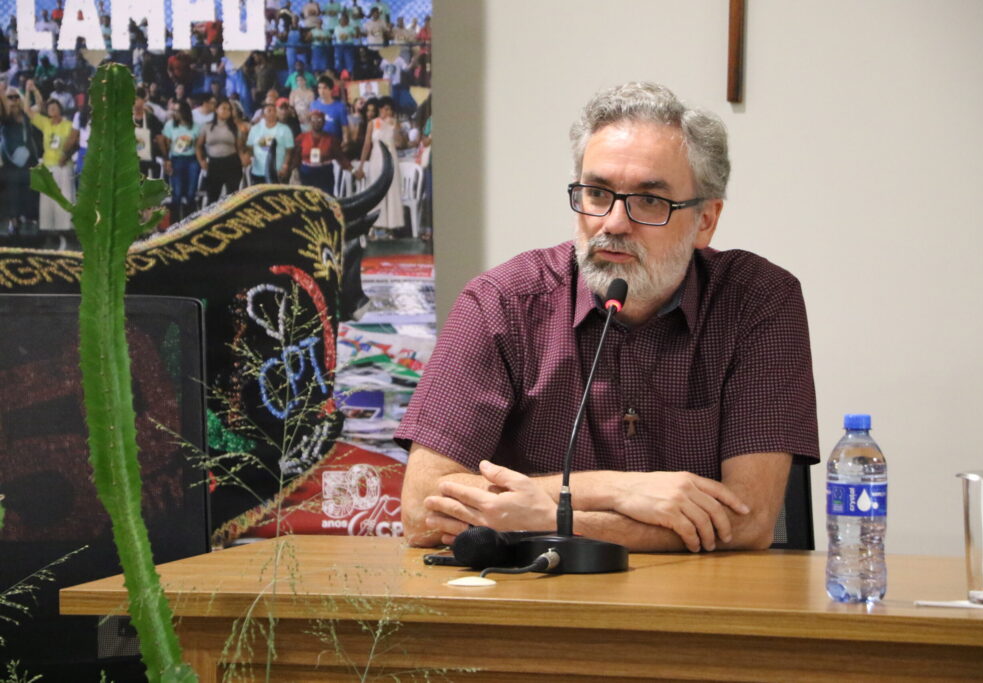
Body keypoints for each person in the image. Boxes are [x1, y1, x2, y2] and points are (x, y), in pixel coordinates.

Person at [395, 82, 819, 553]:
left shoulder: (758, 301)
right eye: (597, 193)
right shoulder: (502, 303)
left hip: (698, 593)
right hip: (538, 591)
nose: (614, 223)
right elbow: (420, 509)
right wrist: (616, 490)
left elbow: (750, 521)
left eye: (649, 201)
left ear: (706, 220)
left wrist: (546, 518)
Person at [26, 80, 74, 233]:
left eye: (55, 107)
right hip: (48, 166)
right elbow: (28, 110)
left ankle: (65, 229)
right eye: (50, 107)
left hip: (63, 166)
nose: (52, 109)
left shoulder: (68, 125)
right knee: (48, 200)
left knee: (64, 197)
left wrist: (67, 156)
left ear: (60, 109)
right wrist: (31, 90)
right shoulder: (45, 123)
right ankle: (49, 230)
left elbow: (74, 143)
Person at [354, 95, 403, 238]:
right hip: (376, 159)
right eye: (384, 109)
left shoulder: (395, 123)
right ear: (380, 109)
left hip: (391, 158)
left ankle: (390, 227)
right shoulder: (373, 123)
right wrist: (361, 166)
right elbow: (367, 145)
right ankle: (375, 225)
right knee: (377, 191)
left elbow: (400, 143)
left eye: (389, 110)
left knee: (391, 191)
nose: (387, 112)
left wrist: (394, 127)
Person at [0, 85, 40, 233]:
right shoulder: (5, 116)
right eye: (10, 97)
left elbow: (40, 106)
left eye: (16, 96)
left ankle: (29, 220)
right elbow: (3, 109)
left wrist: (33, 90)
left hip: (29, 160)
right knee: (11, 192)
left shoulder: (26, 114)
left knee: (29, 190)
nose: (14, 100)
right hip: (10, 162)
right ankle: (13, 222)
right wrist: (1, 93)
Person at [197, 98, 245, 203]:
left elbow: (239, 147)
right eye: (223, 108)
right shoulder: (207, 127)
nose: (226, 111)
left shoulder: (234, 128)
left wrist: (243, 160)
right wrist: (201, 161)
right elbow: (198, 146)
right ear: (216, 110)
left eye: (228, 109)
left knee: (232, 197)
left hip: (232, 163)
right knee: (212, 197)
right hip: (214, 164)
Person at [163, 98, 203, 223]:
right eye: (174, 110)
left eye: (177, 111)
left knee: (191, 192)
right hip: (176, 159)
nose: (175, 113)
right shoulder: (170, 125)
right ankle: (174, 222)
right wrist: (167, 160)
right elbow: (166, 143)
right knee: (177, 192)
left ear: (184, 111)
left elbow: (198, 146)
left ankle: (189, 221)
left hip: (192, 159)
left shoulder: (196, 127)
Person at [294, 109, 343, 194]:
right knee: (307, 197)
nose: (316, 122)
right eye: (313, 120)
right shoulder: (301, 138)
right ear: (310, 122)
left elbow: (340, 157)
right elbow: (295, 156)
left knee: (326, 197)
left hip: (324, 173)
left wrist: (353, 170)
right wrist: (290, 169)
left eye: (319, 120)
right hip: (307, 173)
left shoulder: (331, 139)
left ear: (324, 122)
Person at [246, 102, 294, 184]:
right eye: (269, 110)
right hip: (258, 171)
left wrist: (285, 165)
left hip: (277, 172)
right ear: (263, 115)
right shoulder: (255, 129)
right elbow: (250, 147)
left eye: (274, 111)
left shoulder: (285, 129)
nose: (272, 113)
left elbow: (289, 150)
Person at [310, 75, 349, 145]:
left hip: (335, 143)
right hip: (318, 144)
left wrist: (345, 142)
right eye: (319, 88)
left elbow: (345, 128)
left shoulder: (340, 107)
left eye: (325, 88)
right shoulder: (313, 105)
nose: (322, 91)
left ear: (331, 89)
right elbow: (311, 126)